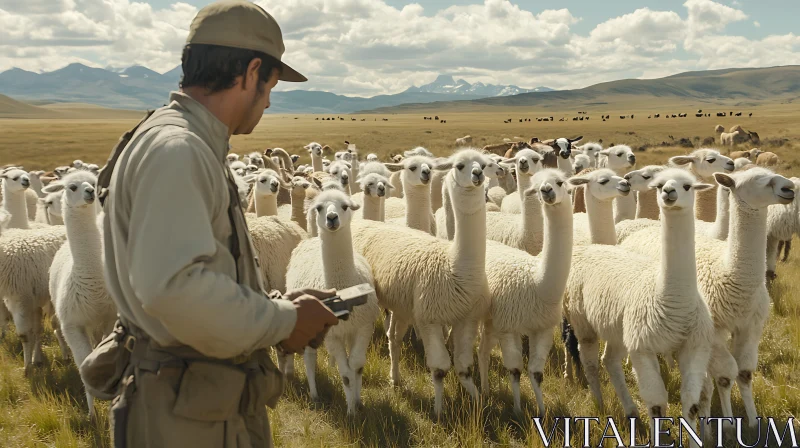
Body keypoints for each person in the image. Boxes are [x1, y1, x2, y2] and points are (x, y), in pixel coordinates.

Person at [98, 1, 338, 446]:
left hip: (197, 398)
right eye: (269, 86)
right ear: (250, 73)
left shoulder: (183, 141)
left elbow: (190, 271)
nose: (267, 101)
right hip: (188, 414)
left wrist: (271, 304)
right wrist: (281, 320)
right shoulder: (179, 150)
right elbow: (174, 288)